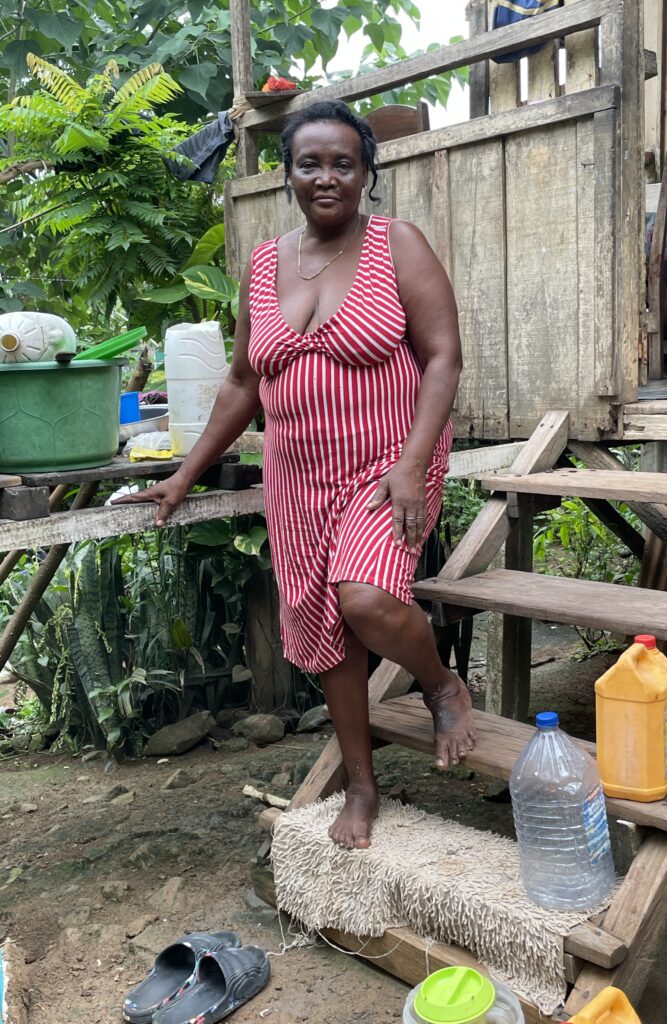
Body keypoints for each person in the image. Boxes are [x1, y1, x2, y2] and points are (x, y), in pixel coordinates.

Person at [116, 99, 475, 849]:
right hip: (296, 479)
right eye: (310, 163)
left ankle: (440, 684)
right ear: (288, 175)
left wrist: (412, 466)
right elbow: (244, 383)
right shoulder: (265, 263)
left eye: (343, 162)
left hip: (386, 469)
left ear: (367, 173)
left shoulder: (397, 245)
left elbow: (444, 356)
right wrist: (184, 475)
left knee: (367, 600)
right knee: (324, 630)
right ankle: (363, 786)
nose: (326, 177)